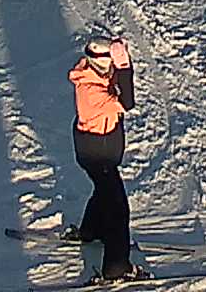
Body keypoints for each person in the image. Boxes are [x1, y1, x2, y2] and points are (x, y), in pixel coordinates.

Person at [68, 35, 139, 281]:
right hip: (99, 155)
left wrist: (119, 58)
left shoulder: (91, 73)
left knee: (104, 192)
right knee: (118, 209)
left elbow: (114, 81)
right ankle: (117, 267)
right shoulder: (92, 93)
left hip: (97, 152)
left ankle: (91, 230)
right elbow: (127, 102)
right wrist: (125, 68)